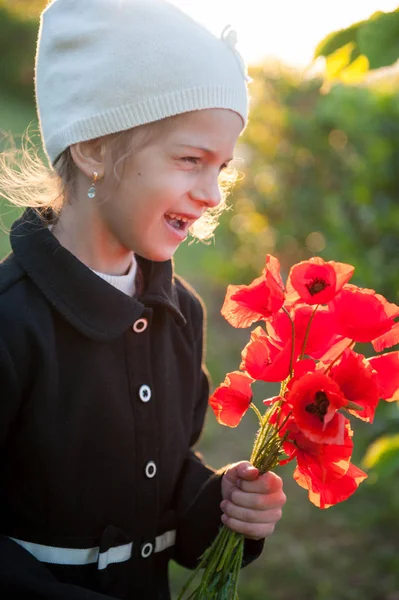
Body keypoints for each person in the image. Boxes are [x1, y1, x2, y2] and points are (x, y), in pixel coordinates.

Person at [0, 0, 286, 598]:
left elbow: (165, 484)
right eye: (190, 160)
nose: (212, 194)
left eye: (223, 168)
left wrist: (223, 505)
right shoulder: (12, 322)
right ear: (95, 149)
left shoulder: (181, 313)